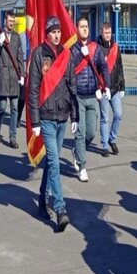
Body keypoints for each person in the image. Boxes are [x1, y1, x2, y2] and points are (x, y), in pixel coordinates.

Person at [28, 16, 78, 231]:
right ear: (47, 33)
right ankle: (60, 209)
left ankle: (41, 199)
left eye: (59, 32)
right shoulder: (39, 54)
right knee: (55, 162)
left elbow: (71, 85)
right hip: (46, 117)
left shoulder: (66, 55)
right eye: (53, 32)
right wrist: (35, 120)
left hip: (62, 116)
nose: (57, 35)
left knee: (51, 162)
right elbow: (32, 89)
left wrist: (74, 115)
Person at [69, 16, 110, 182]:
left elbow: (104, 67)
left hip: (93, 95)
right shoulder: (73, 49)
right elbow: (70, 68)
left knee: (91, 133)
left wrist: (106, 85)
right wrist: (80, 56)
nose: (85, 29)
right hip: (78, 96)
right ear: (77, 29)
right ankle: (82, 166)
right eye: (82, 26)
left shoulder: (95, 48)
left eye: (86, 26)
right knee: (80, 134)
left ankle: (77, 152)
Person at [0, 13, 25, 148]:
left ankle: (13, 137)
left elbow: (19, 57)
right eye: (9, 21)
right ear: (5, 21)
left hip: (14, 76)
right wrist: (0, 43)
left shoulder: (17, 37)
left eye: (13, 21)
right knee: (1, 107)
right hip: (3, 75)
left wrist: (22, 75)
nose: (11, 23)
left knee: (14, 108)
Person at [97, 22, 125, 157]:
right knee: (104, 118)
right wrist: (97, 87)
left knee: (118, 115)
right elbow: (95, 70)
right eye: (105, 33)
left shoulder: (115, 48)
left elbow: (120, 67)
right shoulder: (97, 49)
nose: (107, 35)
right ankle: (104, 146)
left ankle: (112, 139)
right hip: (102, 88)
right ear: (101, 33)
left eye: (109, 33)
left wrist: (122, 86)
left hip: (114, 88)